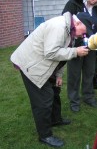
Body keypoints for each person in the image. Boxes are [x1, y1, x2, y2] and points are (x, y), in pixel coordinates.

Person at [10, 12, 90, 147]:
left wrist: (58, 75)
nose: (82, 36)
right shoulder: (58, 27)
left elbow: (61, 55)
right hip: (31, 65)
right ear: (77, 23)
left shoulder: (69, 29)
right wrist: (75, 52)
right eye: (83, 33)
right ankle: (45, 135)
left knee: (55, 91)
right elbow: (51, 52)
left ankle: (55, 119)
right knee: (43, 100)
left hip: (45, 63)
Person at [62, 0, 97, 112]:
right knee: (74, 73)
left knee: (89, 71)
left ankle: (88, 96)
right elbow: (65, 22)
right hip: (76, 44)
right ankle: (74, 100)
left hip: (92, 44)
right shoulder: (73, 3)